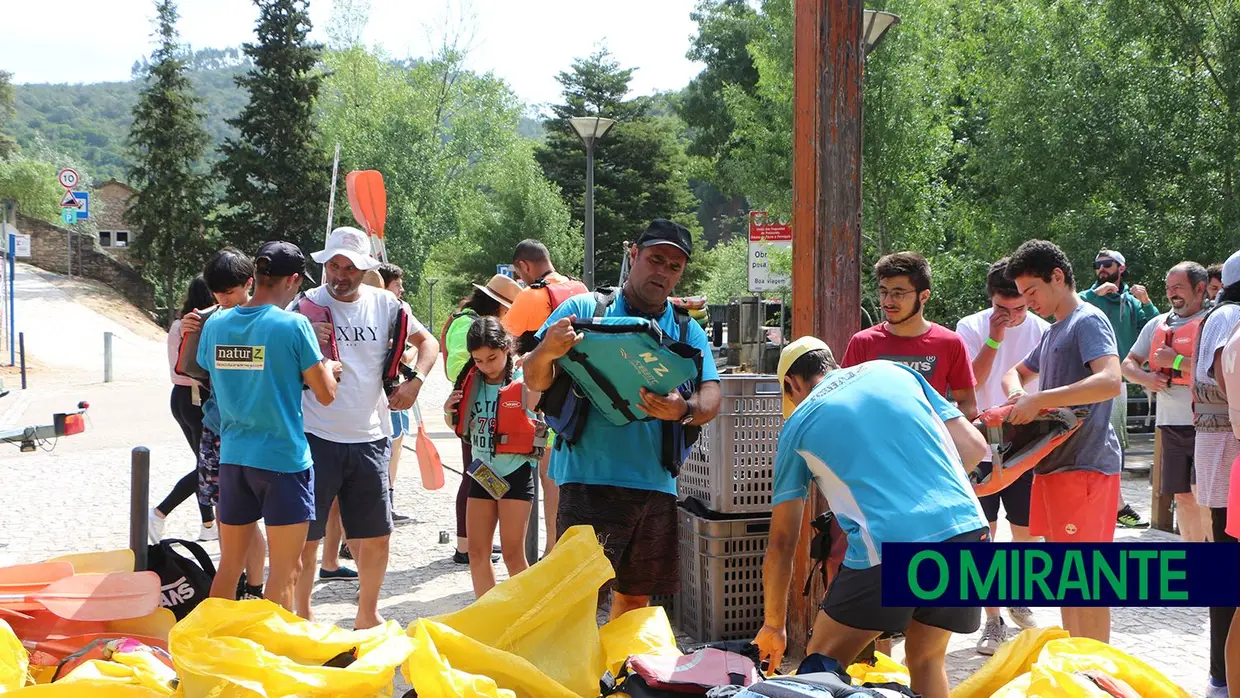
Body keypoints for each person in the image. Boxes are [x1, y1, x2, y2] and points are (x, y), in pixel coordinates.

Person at [754, 338, 988, 698]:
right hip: (967, 528)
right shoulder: (895, 372)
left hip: (887, 548)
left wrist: (774, 624)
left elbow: (783, 541)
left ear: (792, 384)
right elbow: (974, 448)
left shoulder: (799, 422)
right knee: (926, 659)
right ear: (830, 363)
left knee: (821, 666)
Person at [524, 219, 722, 620]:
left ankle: (620, 679)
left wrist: (683, 410)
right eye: (655, 259)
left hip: (656, 485)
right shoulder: (583, 309)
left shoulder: (687, 329)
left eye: (674, 266)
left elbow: (712, 395)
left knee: (635, 601)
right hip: (587, 480)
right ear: (634, 255)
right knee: (576, 600)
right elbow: (533, 379)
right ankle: (572, 681)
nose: (663, 272)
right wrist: (547, 350)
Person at [292, 227, 438, 629]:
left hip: (371, 435)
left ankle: (367, 615)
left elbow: (429, 344)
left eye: (349, 267)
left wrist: (415, 382)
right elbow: (275, 357)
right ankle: (303, 615)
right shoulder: (304, 307)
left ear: (364, 269)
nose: (339, 275)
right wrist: (303, 339)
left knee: (376, 536)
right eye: (333, 266)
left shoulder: (387, 304)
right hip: (313, 436)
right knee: (306, 536)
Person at [196, 242, 339, 610]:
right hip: (283, 460)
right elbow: (325, 395)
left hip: (234, 458)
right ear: (292, 280)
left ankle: (215, 645)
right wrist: (329, 369)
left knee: (228, 568)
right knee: (285, 573)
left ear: (255, 277)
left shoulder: (216, 323)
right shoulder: (294, 326)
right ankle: (276, 658)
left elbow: (208, 369)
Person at [1000, 239, 1123, 643]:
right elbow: (1013, 373)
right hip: (1054, 467)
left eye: (1032, 291)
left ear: (1057, 277)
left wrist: (1040, 400)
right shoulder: (1055, 331)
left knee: (1089, 583)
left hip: (1085, 466)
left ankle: (1096, 673)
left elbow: (1110, 381)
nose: (1028, 302)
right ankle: (1079, 672)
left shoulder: (1087, 320)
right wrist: (1020, 394)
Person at [954, 258, 1048, 654]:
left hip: (1028, 439)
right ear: (990, 299)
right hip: (981, 439)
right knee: (985, 532)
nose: (1011, 316)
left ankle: (1017, 594)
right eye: (1001, 309)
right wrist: (993, 337)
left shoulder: (1044, 328)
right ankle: (991, 620)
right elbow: (968, 383)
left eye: (1019, 309)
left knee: (1026, 531)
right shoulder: (970, 327)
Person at [187, 249, 268, 600]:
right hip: (219, 427)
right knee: (227, 514)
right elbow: (193, 369)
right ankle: (238, 583)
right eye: (218, 294)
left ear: (249, 283)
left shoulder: (268, 319)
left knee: (248, 517)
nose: (223, 300)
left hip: (257, 430)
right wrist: (191, 331)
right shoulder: (208, 320)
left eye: (230, 292)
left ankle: (254, 584)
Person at [444, 317, 544, 597]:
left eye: (492, 358)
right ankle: (488, 614)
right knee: (477, 553)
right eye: (479, 361)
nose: (486, 366)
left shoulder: (525, 380)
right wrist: (448, 409)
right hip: (482, 474)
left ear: (507, 349)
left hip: (516, 472)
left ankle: (526, 616)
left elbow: (537, 408)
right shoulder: (469, 382)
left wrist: (535, 371)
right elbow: (458, 424)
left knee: (513, 554)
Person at [503, 239, 587, 558]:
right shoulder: (580, 289)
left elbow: (502, 345)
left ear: (525, 266)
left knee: (549, 474)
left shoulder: (530, 296)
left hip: (549, 396)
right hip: (584, 395)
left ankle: (552, 549)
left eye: (518, 273)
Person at [1121, 262, 1210, 543]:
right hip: (1170, 425)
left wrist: (1177, 362)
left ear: (1200, 288)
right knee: (1183, 496)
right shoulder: (1156, 324)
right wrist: (1145, 379)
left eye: (1179, 288)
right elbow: (1127, 364)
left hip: (1208, 425)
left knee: (1205, 496)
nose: (1172, 295)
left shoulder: (1215, 322)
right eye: (1169, 288)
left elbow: (1221, 370)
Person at [441, 274, 520, 564]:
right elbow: (457, 369)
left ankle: (473, 541)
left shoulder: (464, 319)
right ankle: (465, 544)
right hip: (474, 411)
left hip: (480, 409)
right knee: (472, 475)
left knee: (477, 475)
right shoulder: (468, 324)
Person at [841, 252, 978, 420]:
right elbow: (845, 402)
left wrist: (934, 429)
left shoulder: (950, 343)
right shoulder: (862, 342)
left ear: (924, 296)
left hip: (930, 444)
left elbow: (968, 406)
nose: (887, 302)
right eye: (883, 292)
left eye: (898, 294)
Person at [1079, 249, 1159, 528]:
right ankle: (1107, 504)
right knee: (1084, 441)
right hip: (1083, 382)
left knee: (1112, 442)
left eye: (1107, 264)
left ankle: (1114, 504)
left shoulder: (1132, 302)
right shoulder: (1087, 299)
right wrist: (1093, 296)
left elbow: (1154, 330)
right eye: (1098, 264)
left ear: (1121, 268)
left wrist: (1147, 303)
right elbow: (1063, 311)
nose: (1101, 269)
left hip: (1116, 383)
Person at [1191, 250, 1240, 698]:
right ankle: (1221, 677)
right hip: (1229, 448)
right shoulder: (1232, 315)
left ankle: (1220, 677)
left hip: (1220, 447)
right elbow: (1226, 374)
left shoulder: (1218, 312)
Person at [150, 275, 219, 544]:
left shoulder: (178, 324)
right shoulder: (199, 326)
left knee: (202, 462)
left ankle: (208, 524)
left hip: (178, 397)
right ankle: (159, 512)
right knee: (206, 465)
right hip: (196, 397)